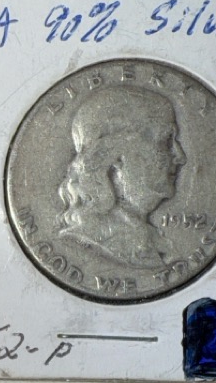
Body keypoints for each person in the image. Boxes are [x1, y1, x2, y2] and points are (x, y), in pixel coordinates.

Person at [57, 86, 186, 269]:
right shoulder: (87, 242)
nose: (180, 156)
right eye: (166, 141)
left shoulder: (154, 242)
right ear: (115, 156)